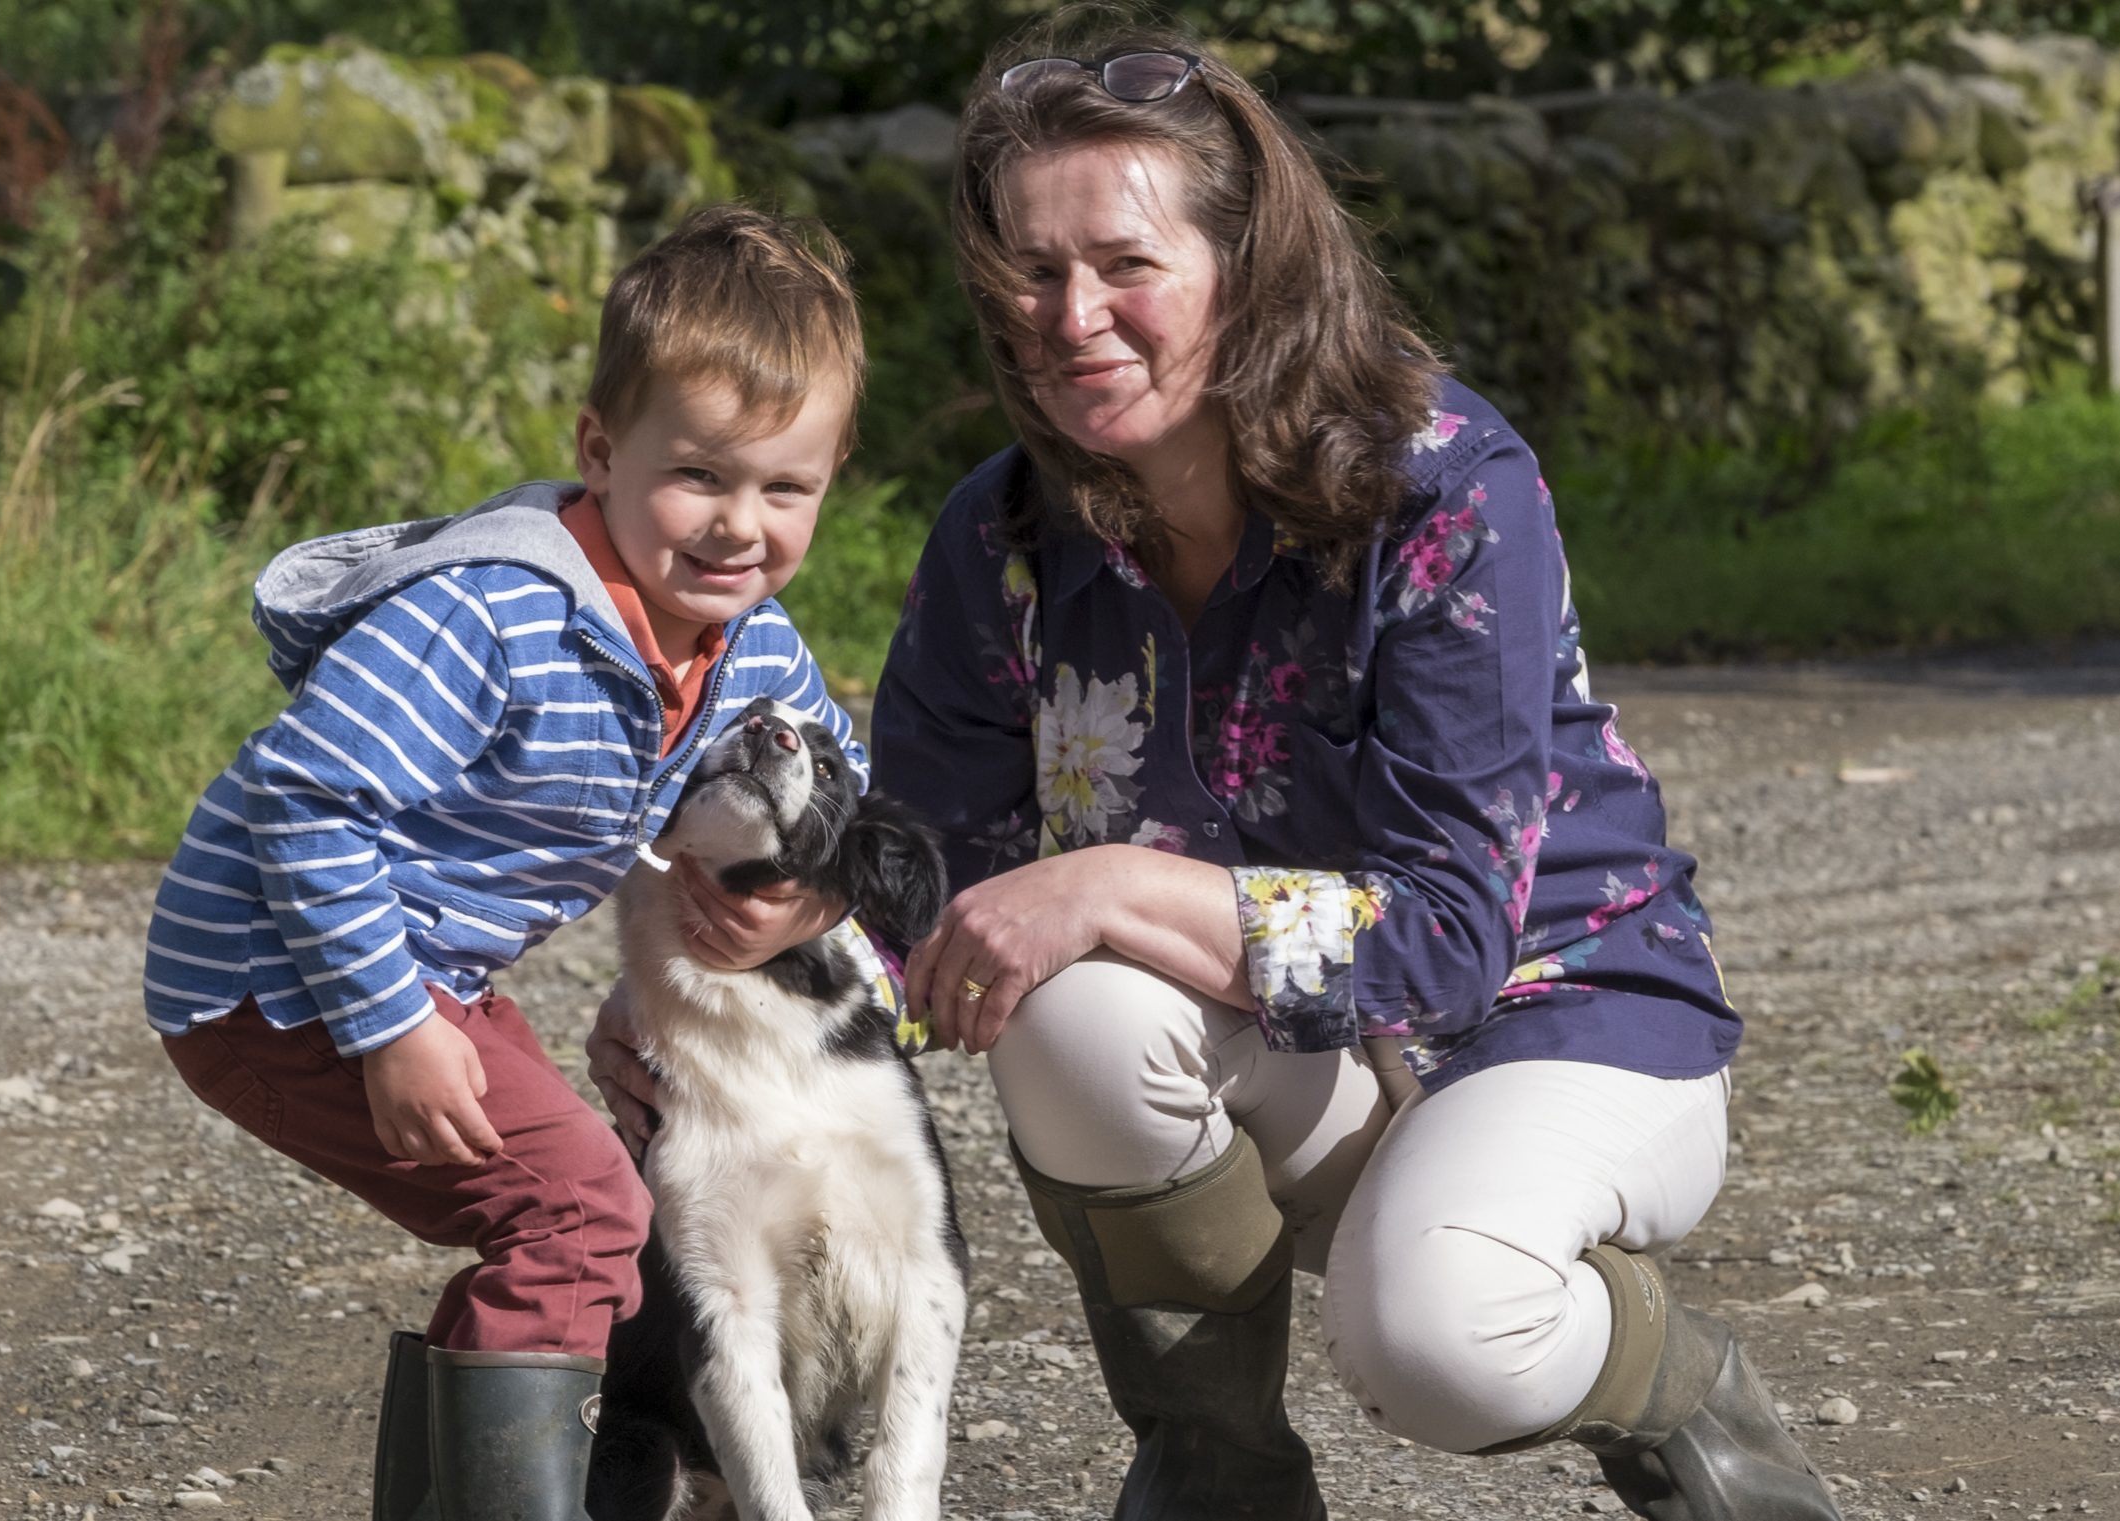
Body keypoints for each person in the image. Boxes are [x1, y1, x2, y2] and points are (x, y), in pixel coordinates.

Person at [620, 14, 1843, 1521]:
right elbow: (927, 902)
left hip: (1561, 1015)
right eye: (1032, 268)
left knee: (1433, 1337)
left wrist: (1111, 880)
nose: (1072, 313)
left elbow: (1451, 942)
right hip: (1293, 1051)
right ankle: (1213, 1470)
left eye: (1126, 264)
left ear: (1244, 266)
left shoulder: (1447, 485)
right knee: (1066, 1012)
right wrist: (700, 997)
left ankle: (1679, 1386)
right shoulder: (994, 542)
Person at [141, 203, 877, 1521]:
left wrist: (712, 958)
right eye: (698, 474)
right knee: (581, 1209)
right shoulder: (491, 612)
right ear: (600, 449)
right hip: (274, 968)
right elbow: (307, 800)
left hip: (425, 967)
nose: (737, 527)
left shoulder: (749, 649)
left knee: (588, 1217)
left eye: (785, 487)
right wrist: (391, 1027)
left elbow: (842, 806)